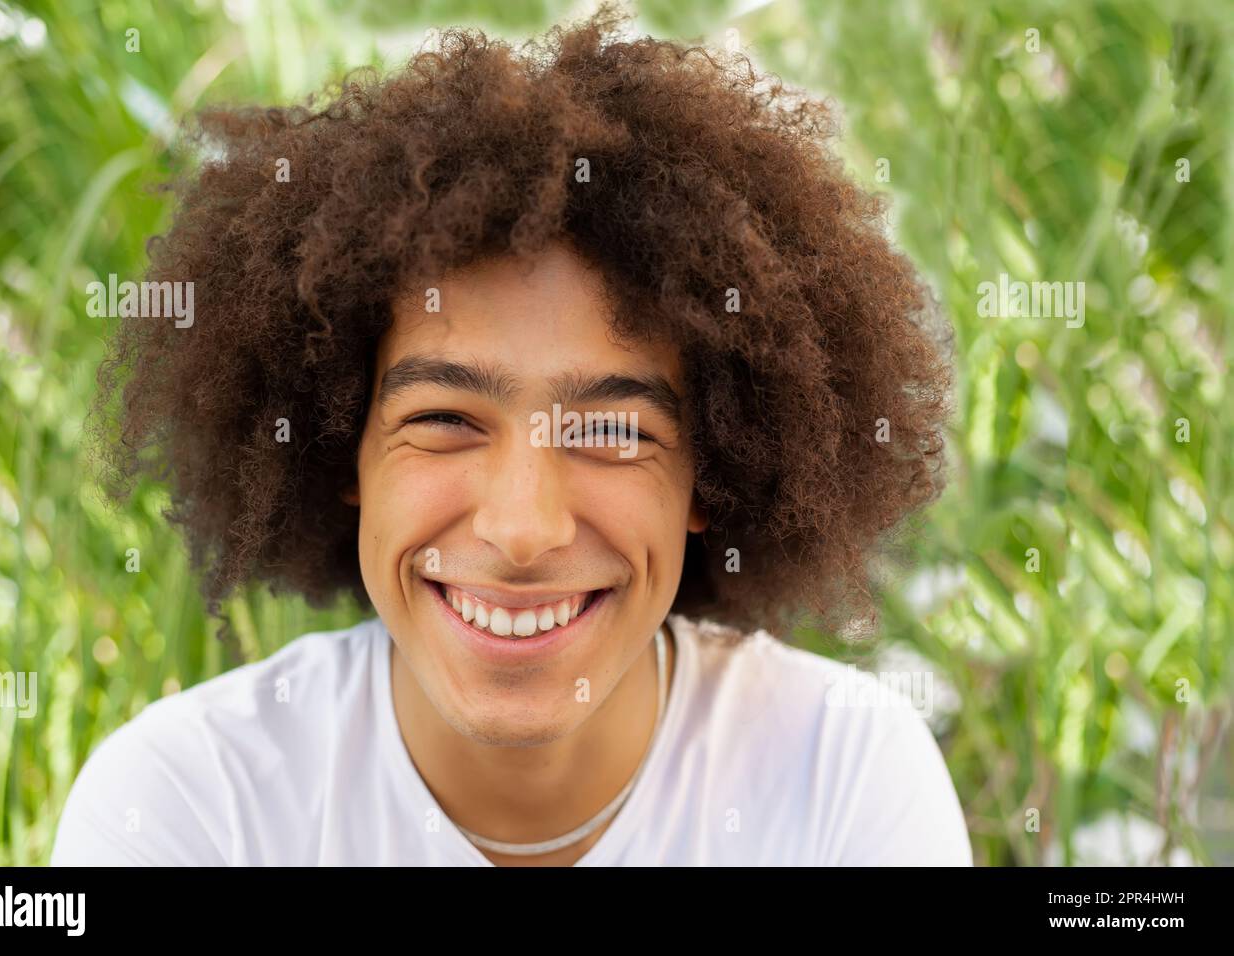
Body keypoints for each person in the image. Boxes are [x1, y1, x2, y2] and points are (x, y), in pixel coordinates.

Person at [54, 3, 967, 866]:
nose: (523, 529)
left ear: (710, 476)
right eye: (444, 421)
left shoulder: (843, 782)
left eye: (612, 429)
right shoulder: (190, 807)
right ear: (345, 455)